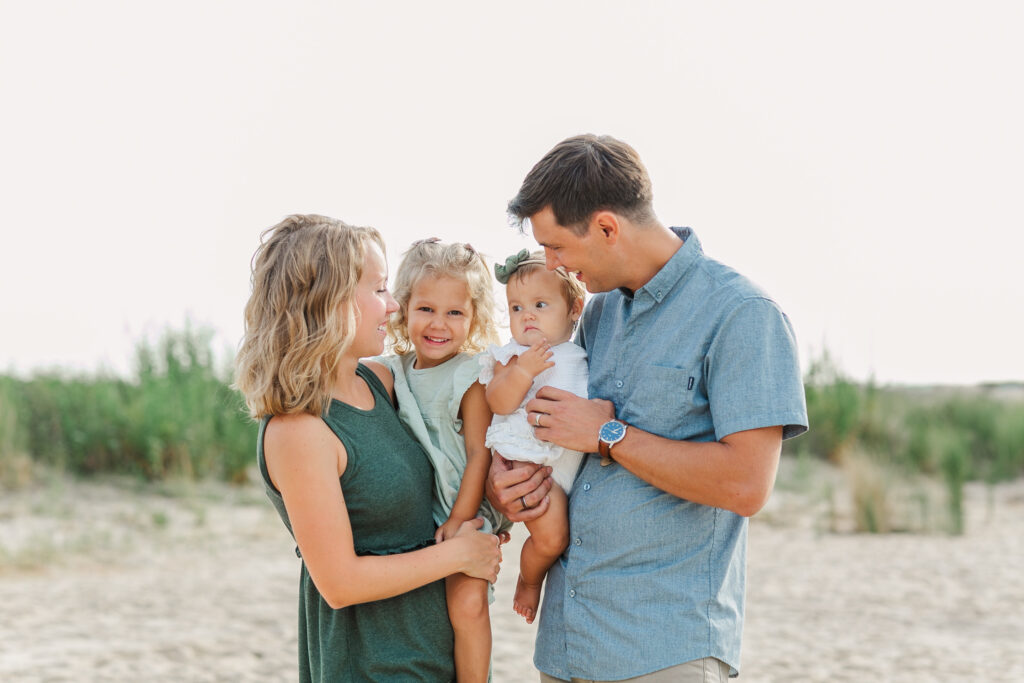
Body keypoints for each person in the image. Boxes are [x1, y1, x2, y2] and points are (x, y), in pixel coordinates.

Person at [486, 136, 808, 682]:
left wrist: (609, 433)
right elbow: (564, 440)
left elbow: (746, 486)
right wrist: (510, 478)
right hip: (567, 645)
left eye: (558, 247)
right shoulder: (598, 313)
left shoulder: (743, 316)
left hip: (663, 650)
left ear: (608, 228)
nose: (551, 264)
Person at [234, 215, 501, 682]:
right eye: (379, 290)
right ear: (330, 300)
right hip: (372, 667)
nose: (394, 306)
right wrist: (461, 555)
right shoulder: (299, 430)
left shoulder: (382, 383)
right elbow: (339, 583)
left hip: (436, 657)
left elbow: (453, 463)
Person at [377, 237, 510, 683]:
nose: (439, 324)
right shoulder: (393, 370)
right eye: (426, 309)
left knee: (467, 604)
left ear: (473, 318)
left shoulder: (471, 375)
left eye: (455, 312)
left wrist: (460, 520)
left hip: (463, 505)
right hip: (418, 511)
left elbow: (479, 454)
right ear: (403, 309)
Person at [478, 249, 587, 625]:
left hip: (565, 463)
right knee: (552, 538)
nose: (527, 317)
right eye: (516, 308)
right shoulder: (513, 356)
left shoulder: (578, 354)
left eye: (540, 305)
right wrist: (523, 372)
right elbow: (499, 401)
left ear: (574, 308)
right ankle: (528, 580)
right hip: (529, 462)